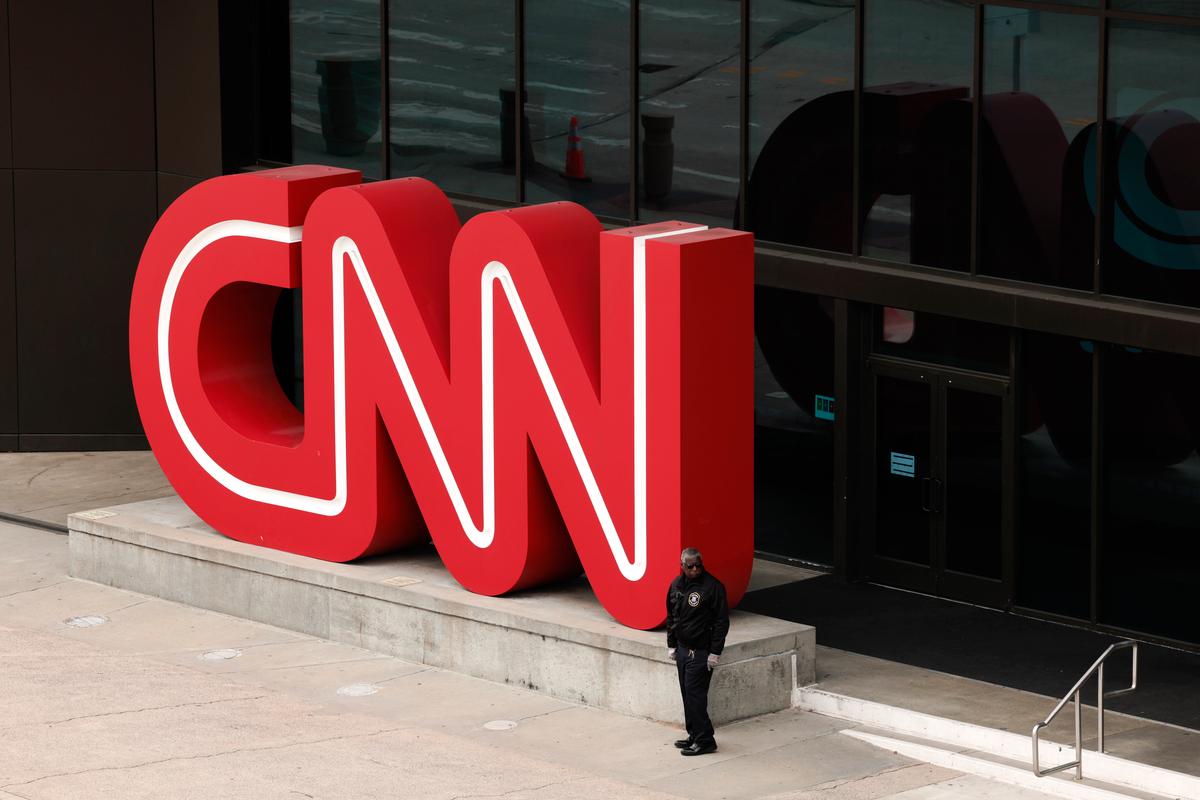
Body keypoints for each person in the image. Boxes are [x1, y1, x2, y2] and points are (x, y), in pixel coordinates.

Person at [666, 547, 729, 756]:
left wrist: (715, 653)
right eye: (690, 566)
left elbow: (721, 623)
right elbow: (672, 616)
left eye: (698, 565)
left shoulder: (712, 587)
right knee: (687, 695)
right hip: (683, 651)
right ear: (682, 566)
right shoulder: (676, 585)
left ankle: (705, 741)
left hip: (700, 653)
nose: (695, 569)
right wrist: (671, 645)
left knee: (696, 697)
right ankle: (694, 735)